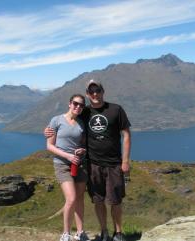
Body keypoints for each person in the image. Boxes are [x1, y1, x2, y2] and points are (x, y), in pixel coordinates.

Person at [46, 80, 131, 241]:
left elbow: (126, 134)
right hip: (92, 164)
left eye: (97, 90)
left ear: (102, 91)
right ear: (87, 94)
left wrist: (125, 161)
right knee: (97, 200)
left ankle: (118, 233)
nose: (95, 94)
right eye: (91, 91)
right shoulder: (84, 112)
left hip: (113, 163)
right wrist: (48, 130)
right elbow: (64, 126)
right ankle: (104, 232)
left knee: (115, 200)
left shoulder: (115, 109)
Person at [46, 94, 90, 241]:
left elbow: (83, 144)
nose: (78, 107)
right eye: (76, 103)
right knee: (71, 199)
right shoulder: (56, 120)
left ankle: (80, 232)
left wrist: (82, 150)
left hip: (80, 164)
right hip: (62, 165)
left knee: (79, 199)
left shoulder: (81, 123)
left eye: (81, 105)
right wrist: (68, 156)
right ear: (69, 103)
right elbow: (49, 146)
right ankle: (65, 233)